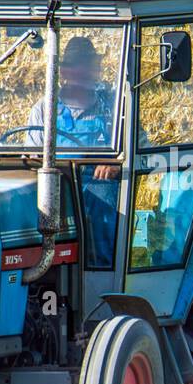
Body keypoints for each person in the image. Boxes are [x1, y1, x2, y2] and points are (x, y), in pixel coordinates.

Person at [25, 35, 120, 266]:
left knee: (103, 195)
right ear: (64, 72)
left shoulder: (113, 108)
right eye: (78, 65)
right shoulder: (44, 109)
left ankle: (101, 270)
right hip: (56, 191)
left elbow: (140, 147)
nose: (86, 71)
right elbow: (30, 157)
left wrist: (116, 163)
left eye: (89, 65)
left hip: (96, 192)